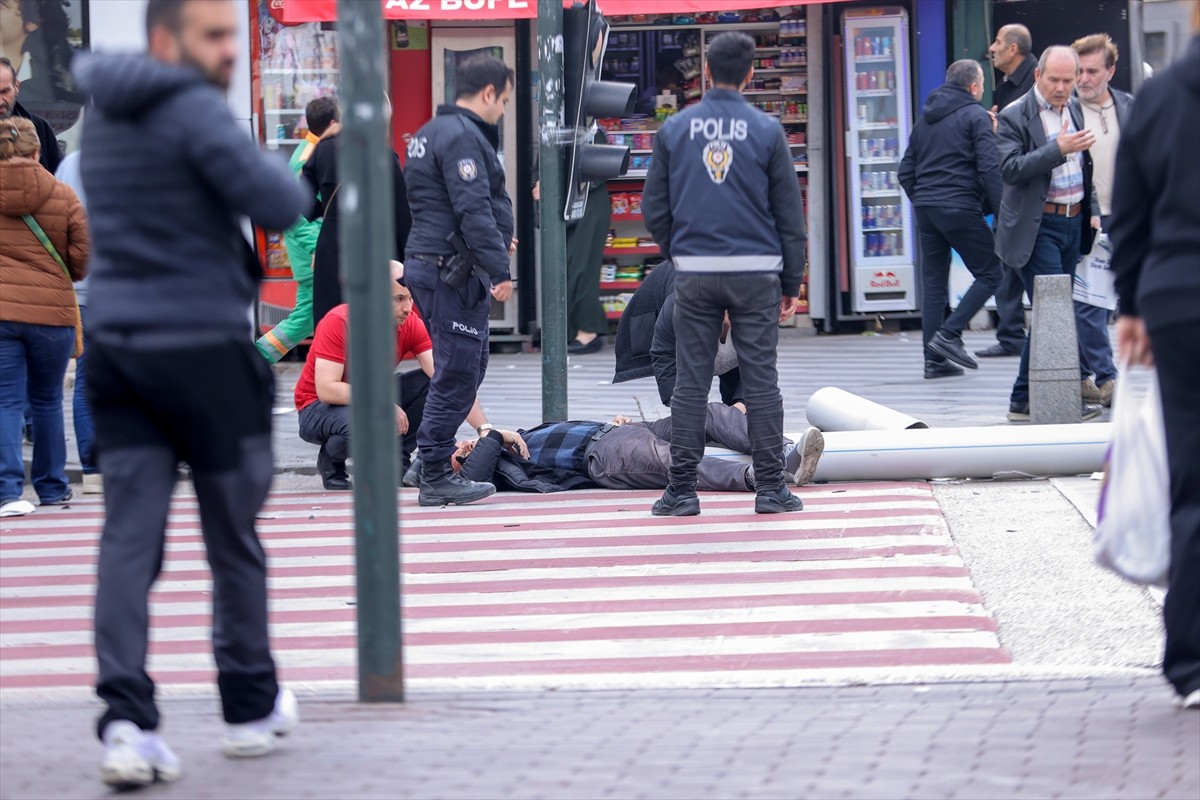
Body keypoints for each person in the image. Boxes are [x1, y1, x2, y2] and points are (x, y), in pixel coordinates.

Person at [73, 0, 308, 786]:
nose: (227, 51)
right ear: (164, 40)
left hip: (117, 351)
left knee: (128, 540)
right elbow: (282, 202)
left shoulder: (105, 116)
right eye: (213, 36)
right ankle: (248, 706)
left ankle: (126, 722)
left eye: (230, 35)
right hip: (203, 352)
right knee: (232, 539)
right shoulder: (194, 110)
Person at [641, 32, 806, 517]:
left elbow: (654, 207)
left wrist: (679, 253)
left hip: (696, 272)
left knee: (691, 382)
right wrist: (790, 283)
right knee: (761, 381)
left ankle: (681, 491)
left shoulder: (676, 129)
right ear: (751, 73)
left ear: (706, 72)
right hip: (756, 272)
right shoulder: (767, 130)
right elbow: (789, 215)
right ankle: (771, 489)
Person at [1110, 6, 1200, 711]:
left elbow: (1129, 214)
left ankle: (1191, 660)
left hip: (1177, 299)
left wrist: (1133, 305)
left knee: (1191, 476)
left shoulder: (1161, 97)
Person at [403, 54, 516, 507]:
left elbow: (444, 205)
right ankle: (434, 472)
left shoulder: (429, 132)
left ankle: (425, 461)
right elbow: (473, 208)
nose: (503, 110)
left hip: (441, 264)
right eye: (504, 101)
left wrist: (494, 244)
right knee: (458, 371)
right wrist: (500, 269)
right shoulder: (464, 136)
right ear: (488, 93)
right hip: (451, 270)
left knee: (469, 365)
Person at [993, 45, 1102, 424]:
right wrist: (1057, 149)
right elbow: (1009, 169)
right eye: (1054, 79)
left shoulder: (1074, 108)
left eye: (1068, 80)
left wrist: (1092, 209)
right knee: (1054, 310)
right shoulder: (1015, 114)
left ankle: (1023, 400)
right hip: (1037, 226)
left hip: (1073, 221)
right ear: (1038, 75)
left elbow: (1085, 167)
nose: (1061, 87)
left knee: (1052, 311)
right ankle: (1047, 399)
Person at [407, 402, 825, 497]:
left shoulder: (511, 439)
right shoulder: (488, 465)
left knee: (706, 413)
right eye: (457, 454)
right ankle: (763, 476)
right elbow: (476, 472)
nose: (464, 446)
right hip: (603, 457)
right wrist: (491, 435)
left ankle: (782, 451)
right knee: (674, 462)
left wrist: (614, 422)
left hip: (616, 433)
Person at [0, 116, 87, 518]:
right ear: (38, 151)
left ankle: (7, 490)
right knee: (49, 399)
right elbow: (82, 260)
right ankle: (51, 487)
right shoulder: (63, 194)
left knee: (6, 401)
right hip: (53, 313)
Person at [898, 59, 1003, 379]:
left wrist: (925, 199)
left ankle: (934, 361)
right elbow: (989, 169)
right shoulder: (976, 116)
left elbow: (905, 171)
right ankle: (950, 334)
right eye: (981, 85)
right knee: (992, 273)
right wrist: (1002, 212)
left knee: (933, 286)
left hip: (926, 210)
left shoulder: (924, 120)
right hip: (959, 206)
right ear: (973, 87)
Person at [296, 264, 436, 489]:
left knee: (432, 385)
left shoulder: (410, 323)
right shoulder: (340, 321)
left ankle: (396, 461)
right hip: (316, 406)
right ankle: (331, 460)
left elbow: (442, 378)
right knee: (363, 425)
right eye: (399, 299)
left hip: (370, 396)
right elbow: (327, 389)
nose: (408, 308)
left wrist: (484, 429)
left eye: (411, 298)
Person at [303, 95, 410, 329]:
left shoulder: (322, 150)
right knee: (372, 329)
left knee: (332, 326)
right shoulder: (383, 156)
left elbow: (303, 202)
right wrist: (406, 265)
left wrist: (327, 215)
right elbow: (403, 218)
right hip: (374, 251)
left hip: (331, 250)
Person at [1071, 33, 1134, 408]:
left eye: (1092, 71)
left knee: (1108, 299)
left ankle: (1081, 374)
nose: (1083, 79)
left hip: (1126, 214)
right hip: (1086, 217)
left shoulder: (1129, 106)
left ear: (1110, 71)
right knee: (1089, 300)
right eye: (1079, 71)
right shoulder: (1068, 110)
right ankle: (1107, 377)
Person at [256, 95, 340, 363]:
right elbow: (300, 215)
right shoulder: (309, 157)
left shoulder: (311, 151)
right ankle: (254, 361)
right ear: (332, 123)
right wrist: (320, 248)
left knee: (310, 317)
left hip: (313, 252)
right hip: (314, 254)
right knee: (306, 318)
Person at [978, 23, 1037, 360]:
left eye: (998, 42)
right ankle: (1011, 334)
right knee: (1005, 258)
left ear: (1013, 49)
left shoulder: (1037, 80)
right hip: (1012, 185)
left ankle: (1036, 335)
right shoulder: (1007, 84)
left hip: (1036, 186)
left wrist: (1002, 129)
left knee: (1031, 263)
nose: (992, 48)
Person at [53, 147, 101, 494]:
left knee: (86, 380)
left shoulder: (71, 164)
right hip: (132, 288)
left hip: (81, 288)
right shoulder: (148, 154)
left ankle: (93, 471)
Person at [0, 55, 59, 172]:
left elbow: (59, 175)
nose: (0, 102)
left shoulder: (39, 127)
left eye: (5, 91)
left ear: (16, 87)